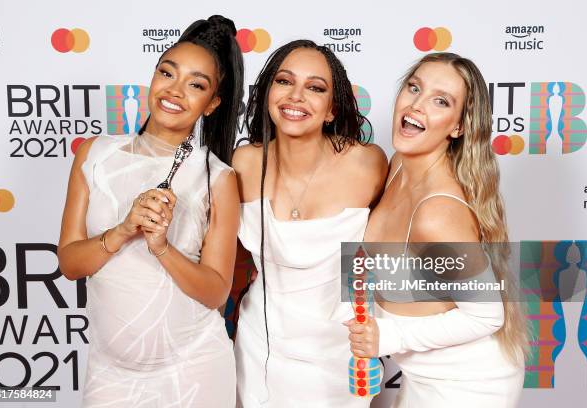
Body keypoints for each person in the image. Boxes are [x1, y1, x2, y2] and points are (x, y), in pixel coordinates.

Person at [57, 15, 243, 407]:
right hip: (111, 373)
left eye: (196, 84)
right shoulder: (95, 154)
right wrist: (124, 230)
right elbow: (71, 264)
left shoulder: (218, 177)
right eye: (167, 73)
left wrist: (161, 245)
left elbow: (215, 292)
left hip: (195, 370)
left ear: (212, 104)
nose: (175, 91)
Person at [347, 52, 527, 407]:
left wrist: (387, 335)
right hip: (422, 371)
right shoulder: (399, 164)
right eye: (414, 88)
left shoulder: (437, 213)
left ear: (458, 127)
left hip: (470, 382)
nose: (417, 105)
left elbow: (486, 315)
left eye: (440, 101)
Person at [232, 39, 388, 407]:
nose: (297, 96)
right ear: (268, 92)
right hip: (259, 352)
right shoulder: (242, 163)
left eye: (315, 87)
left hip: (340, 355)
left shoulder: (368, 164)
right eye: (285, 81)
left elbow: (398, 245)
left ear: (332, 110)